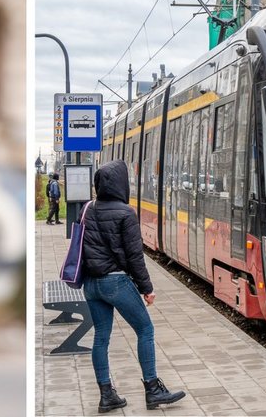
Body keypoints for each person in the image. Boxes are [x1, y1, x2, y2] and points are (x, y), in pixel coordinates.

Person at [81, 160, 185, 412]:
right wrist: (146, 288)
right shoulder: (126, 212)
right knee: (145, 329)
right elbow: (135, 256)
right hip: (115, 281)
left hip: (91, 284)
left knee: (101, 338)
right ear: (121, 184)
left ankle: (107, 395)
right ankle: (152, 389)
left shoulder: (88, 208)